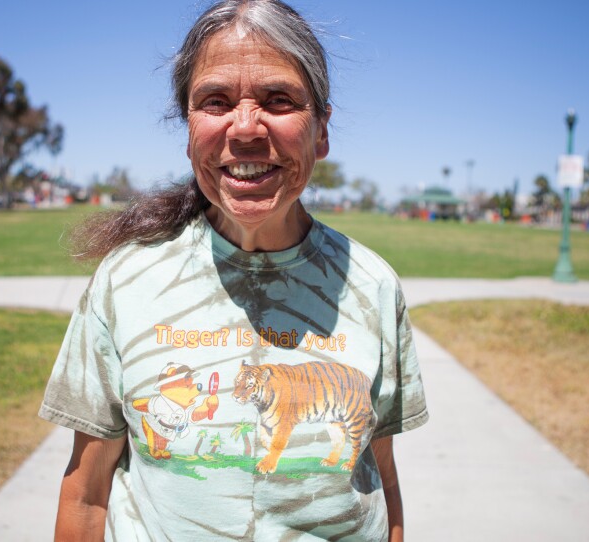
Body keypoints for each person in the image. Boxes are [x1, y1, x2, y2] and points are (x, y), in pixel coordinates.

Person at [39, 1, 427, 540]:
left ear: (321, 131)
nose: (245, 129)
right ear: (189, 128)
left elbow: (381, 476)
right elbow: (86, 494)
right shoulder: (124, 281)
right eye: (215, 101)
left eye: (279, 100)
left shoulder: (373, 286)